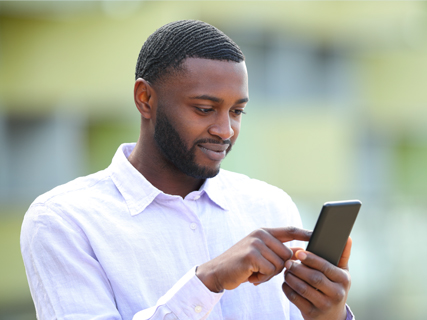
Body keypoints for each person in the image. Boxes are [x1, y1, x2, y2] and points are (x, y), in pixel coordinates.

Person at [21, 20, 354, 320]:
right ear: (145, 98)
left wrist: (329, 316)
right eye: (205, 109)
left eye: (237, 111)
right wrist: (207, 281)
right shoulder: (63, 221)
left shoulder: (269, 205)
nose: (225, 130)